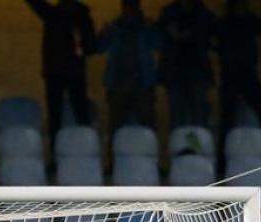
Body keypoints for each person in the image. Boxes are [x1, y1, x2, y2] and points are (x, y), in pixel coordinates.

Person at [24, 0, 96, 153]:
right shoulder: (67, 15)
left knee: (72, 116)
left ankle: (82, 153)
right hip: (63, 72)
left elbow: (91, 47)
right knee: (64, 117)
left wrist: (81, 45)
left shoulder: (62, 15)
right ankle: (60, 156)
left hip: (62, 72)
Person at [215, 0, 261, 153]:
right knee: (227, 120)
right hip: (232, 75)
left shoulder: (247, 20)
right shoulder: (224, 23)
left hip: (245, 73)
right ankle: (221, 163)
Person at [97, 0, 161, 132]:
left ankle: (148, 150)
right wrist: (102, 35)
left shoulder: (146, 27)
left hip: (142, 84)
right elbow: (99, 48)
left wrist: (154, 28)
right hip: (118, 84)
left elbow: (159, 44)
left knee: (147, 126)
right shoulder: (114, 27)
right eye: (127, 7)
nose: (129, 11)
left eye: (133, 7)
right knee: (116, 127)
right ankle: (115, 151)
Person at [157, 0, 216, 127]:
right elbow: (159, 37)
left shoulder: (204, 14)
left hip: (197, 72)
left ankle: (197, 145)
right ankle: (182, 145)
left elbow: (214, 39)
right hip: (176, 73)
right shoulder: (169, 13)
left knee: (198, 117)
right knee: (178, 117)